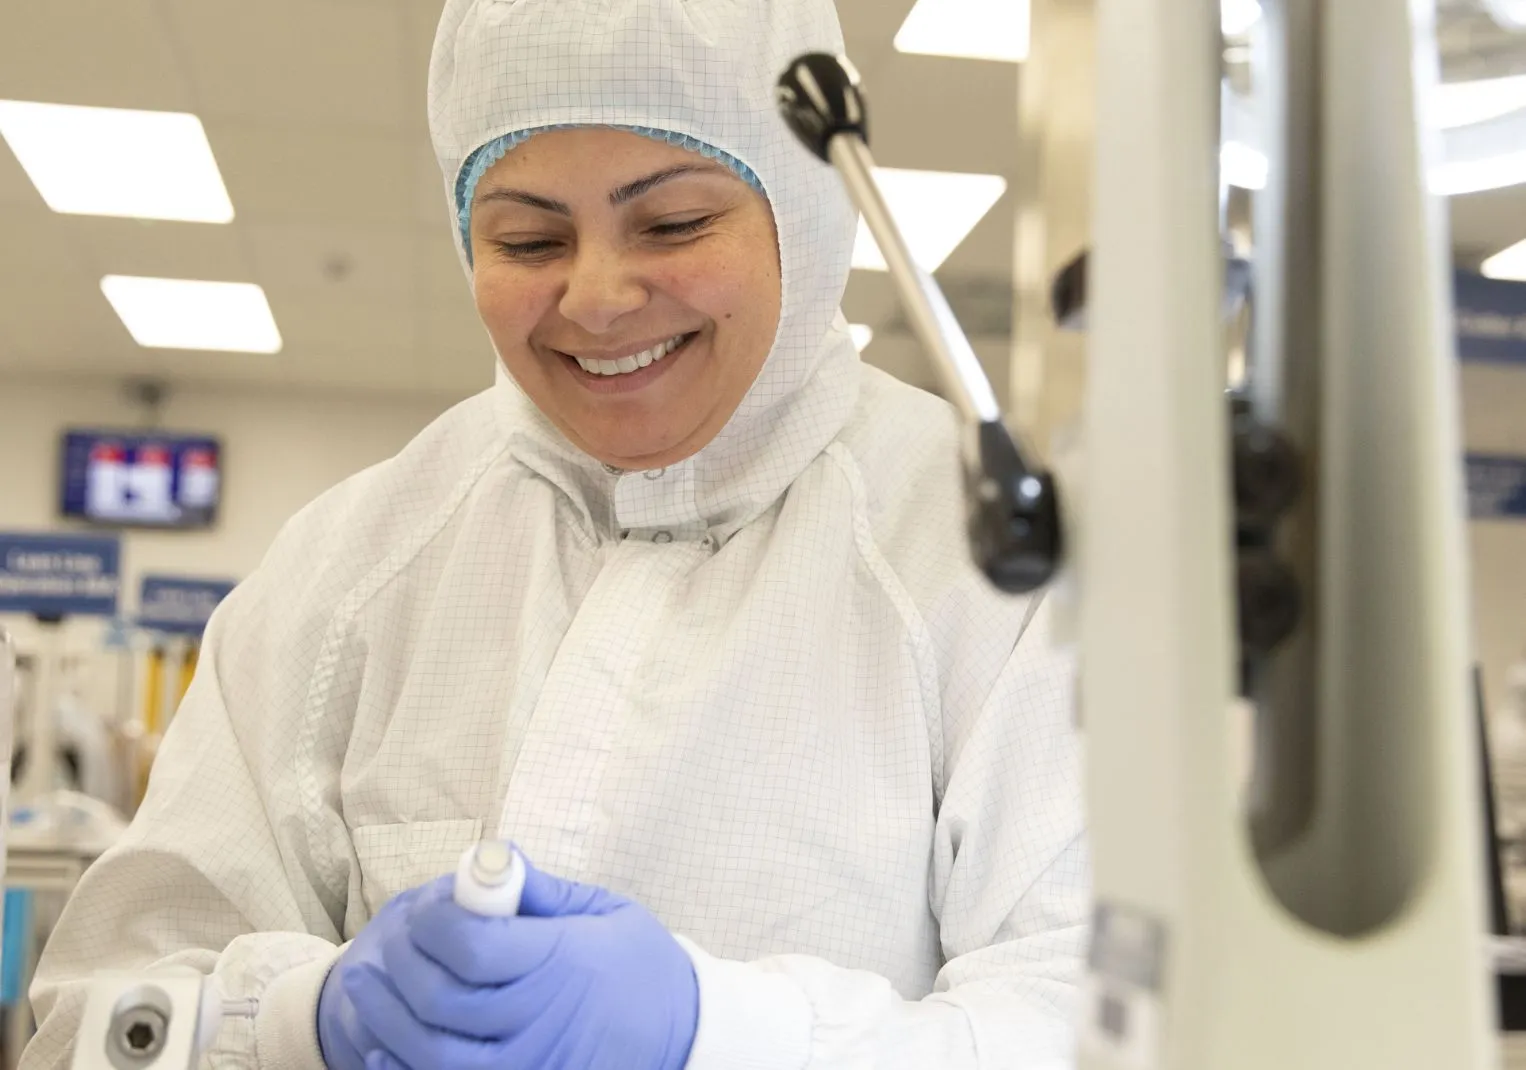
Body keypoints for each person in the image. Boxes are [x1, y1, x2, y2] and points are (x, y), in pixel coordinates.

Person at [21, 0, 1089, 1066]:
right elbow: (91, 1011)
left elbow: (1090, 1019)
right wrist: (299, 1020)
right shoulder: (344, 571)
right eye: (528, 238)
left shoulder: (986, 563)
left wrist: (713, 1032)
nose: (596, 295)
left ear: (800, 215)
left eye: (672, 223)